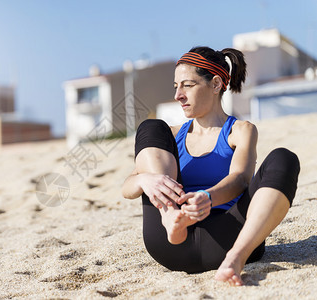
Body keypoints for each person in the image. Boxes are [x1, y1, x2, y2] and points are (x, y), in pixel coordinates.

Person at [121, 46, 300, 286]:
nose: (178, 95)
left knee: (284, 158)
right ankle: (170, 216)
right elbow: (127, 187)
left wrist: (208, 197)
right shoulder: (170, 137)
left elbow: (240, 179)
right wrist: (144, 180)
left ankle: (234, 260)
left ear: (216, 84)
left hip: (228, 238)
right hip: (170, 241)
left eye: (188, 85)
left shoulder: (240, 131)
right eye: (176, 87)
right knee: (151, 126)